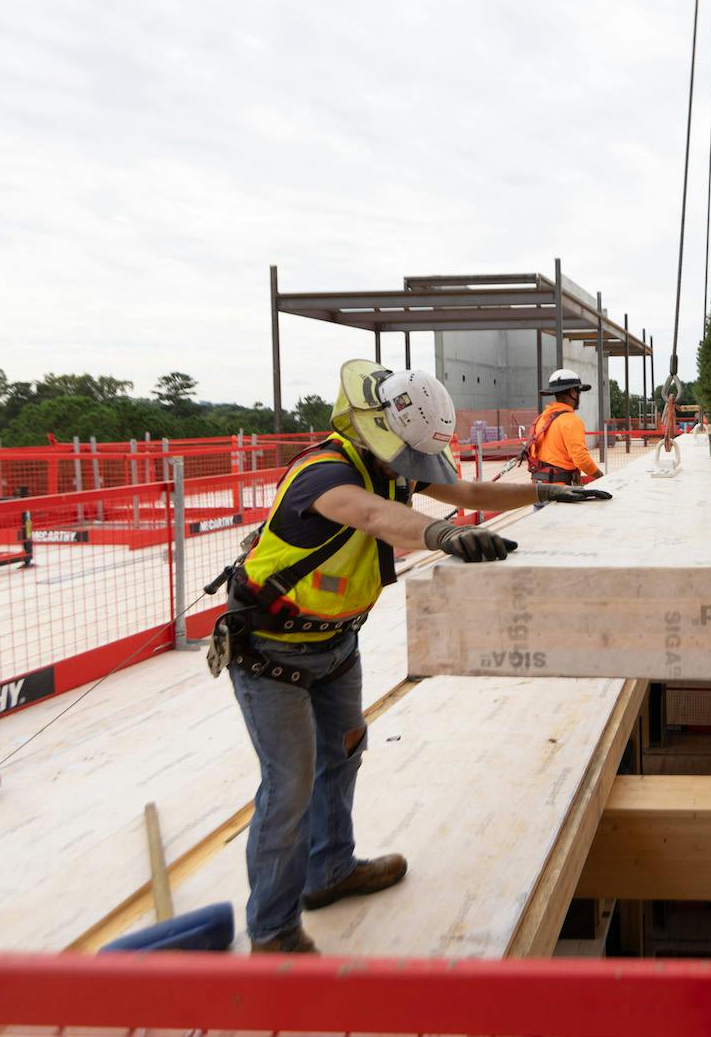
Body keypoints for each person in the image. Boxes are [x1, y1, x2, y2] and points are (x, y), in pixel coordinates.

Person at [209, 360, 611, 954]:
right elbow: (373, 518)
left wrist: (544, 490)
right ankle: (272, 929)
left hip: (336, 644)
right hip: (271, 650)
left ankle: (329, 871)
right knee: (289, 783)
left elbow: (467, 490)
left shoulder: (391, 468)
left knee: (342, 757)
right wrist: (442, 535)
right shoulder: (323, 474)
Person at [525, 368, 603, 486]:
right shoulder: (571, 420)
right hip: (561, 490)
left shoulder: (542, 419)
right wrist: (601, 477)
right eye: (578, 392)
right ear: (573, 392)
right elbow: (581, 459)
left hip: (538, 489)